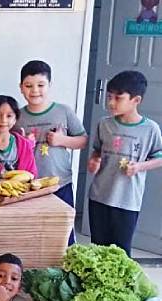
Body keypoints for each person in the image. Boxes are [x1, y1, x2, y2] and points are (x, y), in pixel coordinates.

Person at [87, 70, 162, 256]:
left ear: (136, 100)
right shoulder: (104, 124)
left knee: (120, 253)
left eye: (118, 98)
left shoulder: (150, 129)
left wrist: (139, 167)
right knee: (97, 249)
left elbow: (159, 157)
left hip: (127, 201)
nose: (111, 102)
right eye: (109, 96)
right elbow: (97, 149)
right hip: (99, 196)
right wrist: (94, 160)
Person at [18, 60, 87, 244]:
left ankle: (66, 270)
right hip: (29, 186)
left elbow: (83, 140)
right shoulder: (17, 116)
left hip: (60, 183)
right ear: (21, 88)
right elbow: (10, 150)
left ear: (50, 85)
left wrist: (61, 140)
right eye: (28, 85)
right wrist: (24, 146)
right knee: (33, 233)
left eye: (41, 85)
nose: (35, 91)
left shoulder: (63, 111)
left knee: (63, 234)